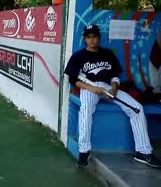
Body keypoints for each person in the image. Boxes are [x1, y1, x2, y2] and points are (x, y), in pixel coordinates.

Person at [64, 24, 161, 169]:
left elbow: (115, 75)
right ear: (85, 39)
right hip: (89, 87)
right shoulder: (78, 56)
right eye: (89, 37)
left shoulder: (107, 53)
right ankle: (84, 151)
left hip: (109, 87)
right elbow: (73, 80)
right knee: (86, 110)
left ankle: (143, 151)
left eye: (94, 37)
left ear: (99, 37)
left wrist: (115, 88)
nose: (92, 40)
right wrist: (92, 88)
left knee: (137, 108)